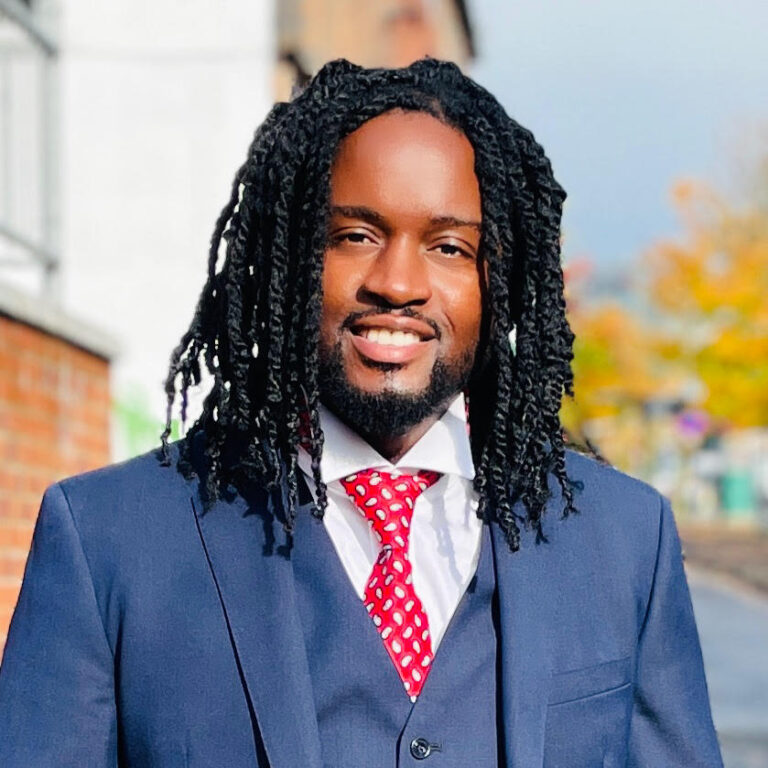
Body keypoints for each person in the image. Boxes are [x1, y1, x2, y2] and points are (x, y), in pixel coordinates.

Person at [0, 58, 723, 767]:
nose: (397, 284)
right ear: (285, 257)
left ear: (498, 281)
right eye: (355, 236)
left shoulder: (626, 539)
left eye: (450, 246)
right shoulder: (107, 540)